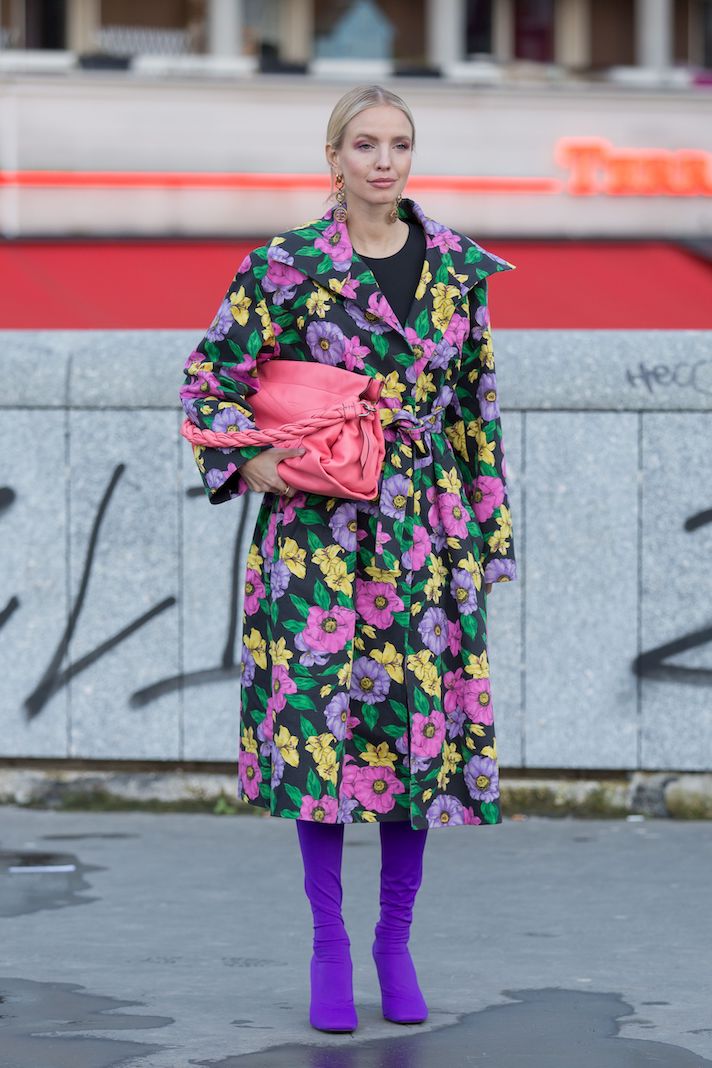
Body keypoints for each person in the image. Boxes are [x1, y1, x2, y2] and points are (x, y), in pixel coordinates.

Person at [179, 84, 517, 1034]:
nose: (383, 160)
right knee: (321, 736)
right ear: (332, 157)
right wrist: (255, 460)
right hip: (319, 537)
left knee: (417, 738)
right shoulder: (283, 267)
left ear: (413, 157)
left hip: (425, 531)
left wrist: (487, 536)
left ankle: (394, 942)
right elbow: (210, 380)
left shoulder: (457, 267)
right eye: (364, 144)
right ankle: (329, 943)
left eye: (399, 144)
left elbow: (477, 412)